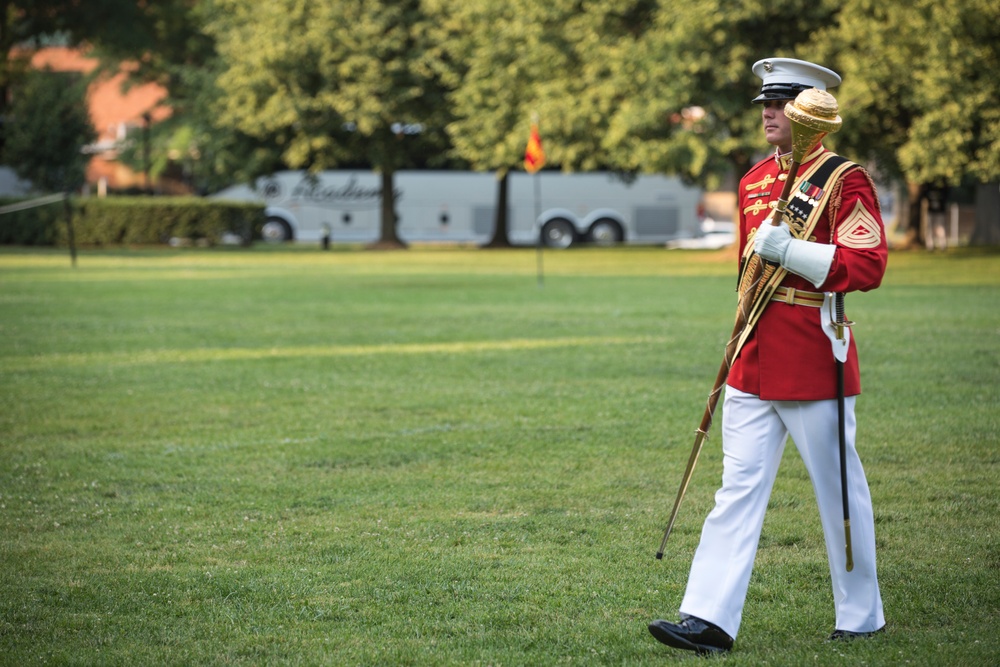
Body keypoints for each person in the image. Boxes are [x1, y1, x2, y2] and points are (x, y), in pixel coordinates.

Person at [648, 57, 888, 655]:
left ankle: (861, 614)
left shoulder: (843, 179)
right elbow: (746, 278)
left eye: (782, 104)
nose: (769, 114)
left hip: (813, 357)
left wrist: (796, 253)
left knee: (837, 491)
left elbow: (869, 264)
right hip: (752, 358)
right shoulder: (754, 180)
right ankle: (707, 619)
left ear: (813, 111)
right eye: (765, 104)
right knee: (736, 489)